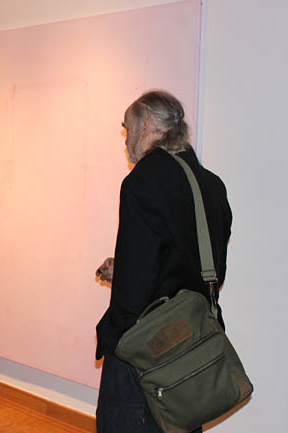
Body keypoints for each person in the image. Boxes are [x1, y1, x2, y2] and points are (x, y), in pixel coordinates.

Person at [95, 91, 232, 433]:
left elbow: (135, 289)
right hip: (193, 342)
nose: (126, 140)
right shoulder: (212, 185)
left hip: (147, 348)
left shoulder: (142, 181)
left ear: (145, 127)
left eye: (127, 129)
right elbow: (205, 267)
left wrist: (117, 339)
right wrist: (125, 269)